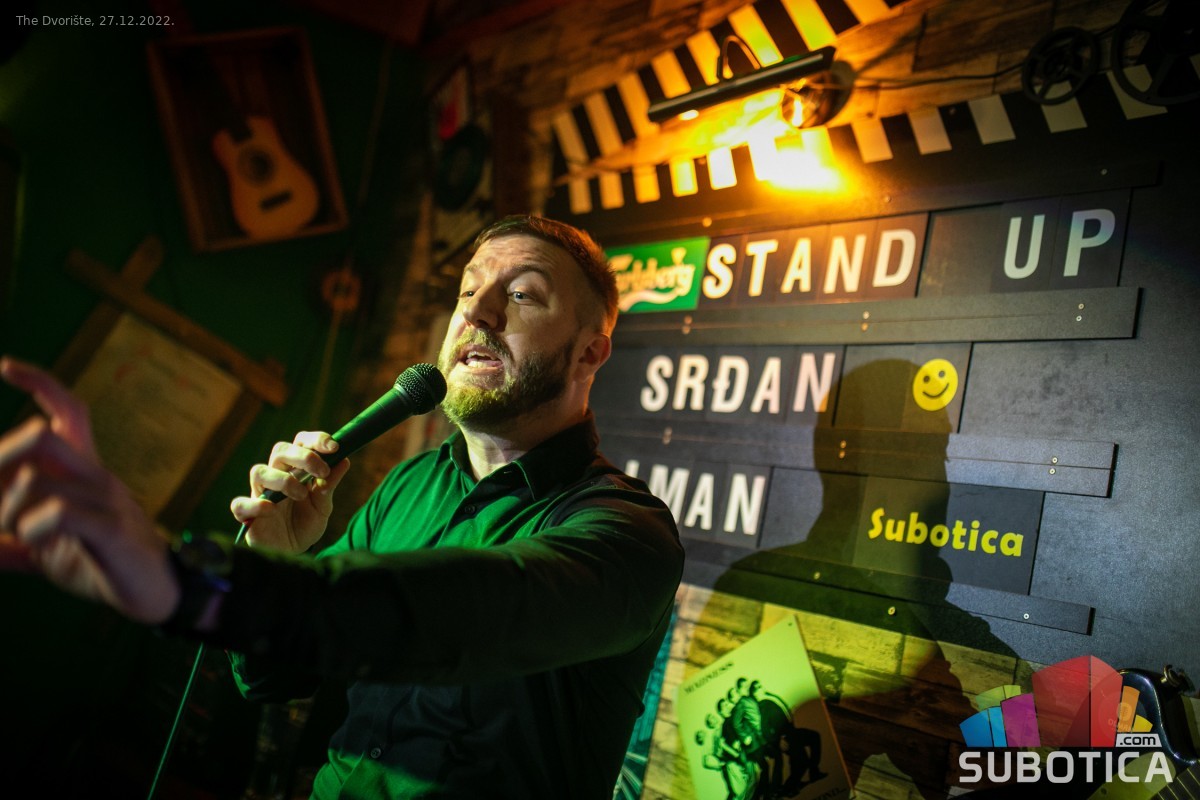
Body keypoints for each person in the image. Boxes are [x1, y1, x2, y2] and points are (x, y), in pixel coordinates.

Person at [0, 215, 685, 798]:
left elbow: (456, 613)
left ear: (589, 353)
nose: (477, 313)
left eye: (522, 294)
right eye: (469, 289)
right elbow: (275, 677)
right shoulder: (410, 485)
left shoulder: (628, 534)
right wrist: (278, 557)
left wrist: (186, 579)